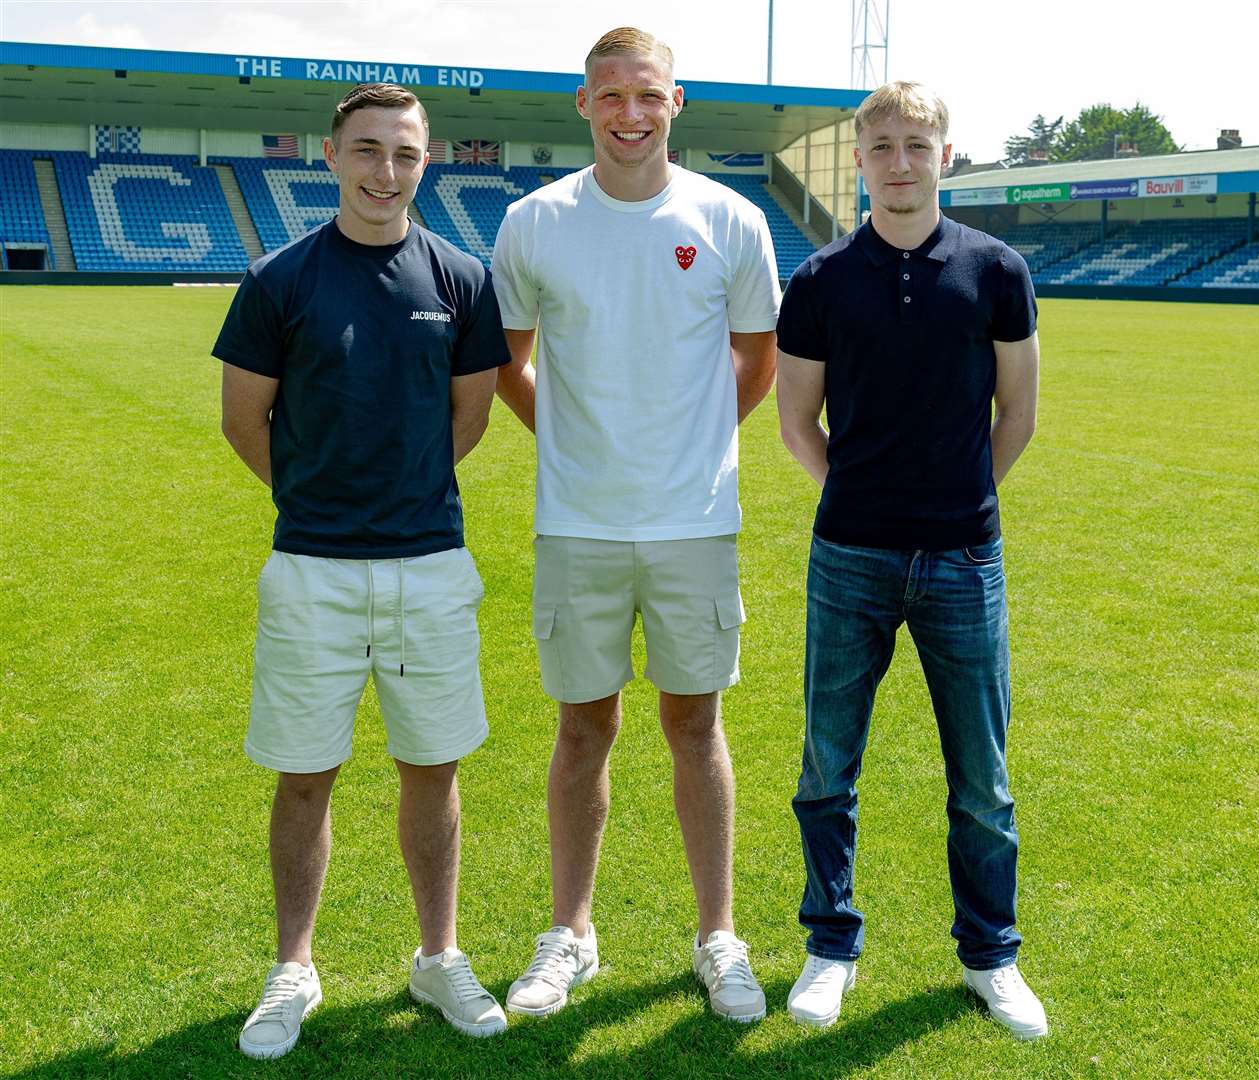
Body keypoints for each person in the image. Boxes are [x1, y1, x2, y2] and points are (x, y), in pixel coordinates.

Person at [490, 26, 780, 1023]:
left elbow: (756, 357)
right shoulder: (534, 223)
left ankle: (718, 938)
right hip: (578, 522)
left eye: (646, 95)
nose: (629, 114)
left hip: (695, 521)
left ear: (675, 102)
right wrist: (572, 440)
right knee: (583, 729)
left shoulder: (731, 220)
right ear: (583, 106)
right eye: (609, 96)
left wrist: (685, 443)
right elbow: (508, 359)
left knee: (696, 727)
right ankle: (571, 933)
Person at [214, 82, 510, 1058]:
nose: (388, 172)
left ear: (426, 163)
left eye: (407, 154)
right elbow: (242, 421)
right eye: (370, 150)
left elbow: (469, 418)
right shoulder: (279, 280)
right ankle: (293, 966)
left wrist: (401, 497)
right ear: (333, 157)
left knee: (433, 768)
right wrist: (318, 502)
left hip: (429, 566)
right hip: (313, 570)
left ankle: (437, 958)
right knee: (306, 778)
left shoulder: (462, 278)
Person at [775, 81, 1047, 1039]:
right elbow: (796, 421)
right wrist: (855, 493)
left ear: (943, 154)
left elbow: (1015, 413)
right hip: (849, 555)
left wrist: (963, 494)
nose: (899, 160)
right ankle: (829, 945)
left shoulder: (998, 270)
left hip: (966, 558)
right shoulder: (816, 282)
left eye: (916, 144)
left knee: (982, 778)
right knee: (827, 765)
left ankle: (991, 955)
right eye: (881, 145)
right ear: (861, 160)